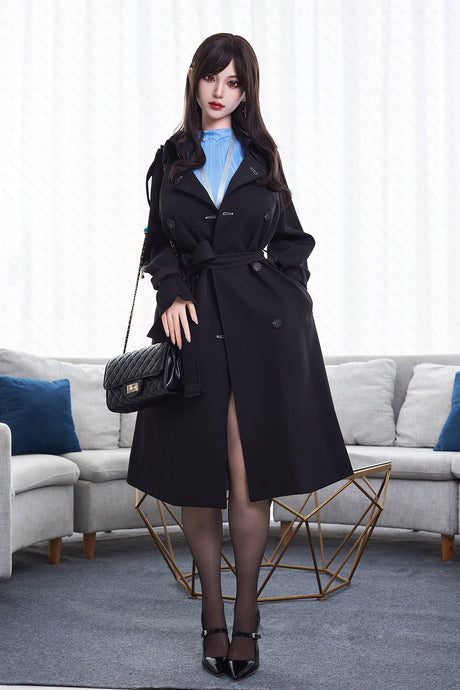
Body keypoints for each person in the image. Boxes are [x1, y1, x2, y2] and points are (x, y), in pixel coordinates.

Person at [128, 33, 353, 682]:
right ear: (194, 79)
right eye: (211, 77)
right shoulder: (170, 158)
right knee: (197, 474)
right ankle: (213, 617)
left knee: (247, 469)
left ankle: (247, 616)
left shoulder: (263, 157)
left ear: (247, 90)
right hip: (194, 326)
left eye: (233, 82)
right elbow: (156, 243)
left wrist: (289, 301)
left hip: (261, 329)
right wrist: (172, 291)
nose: (220, 91)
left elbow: (293, 242)